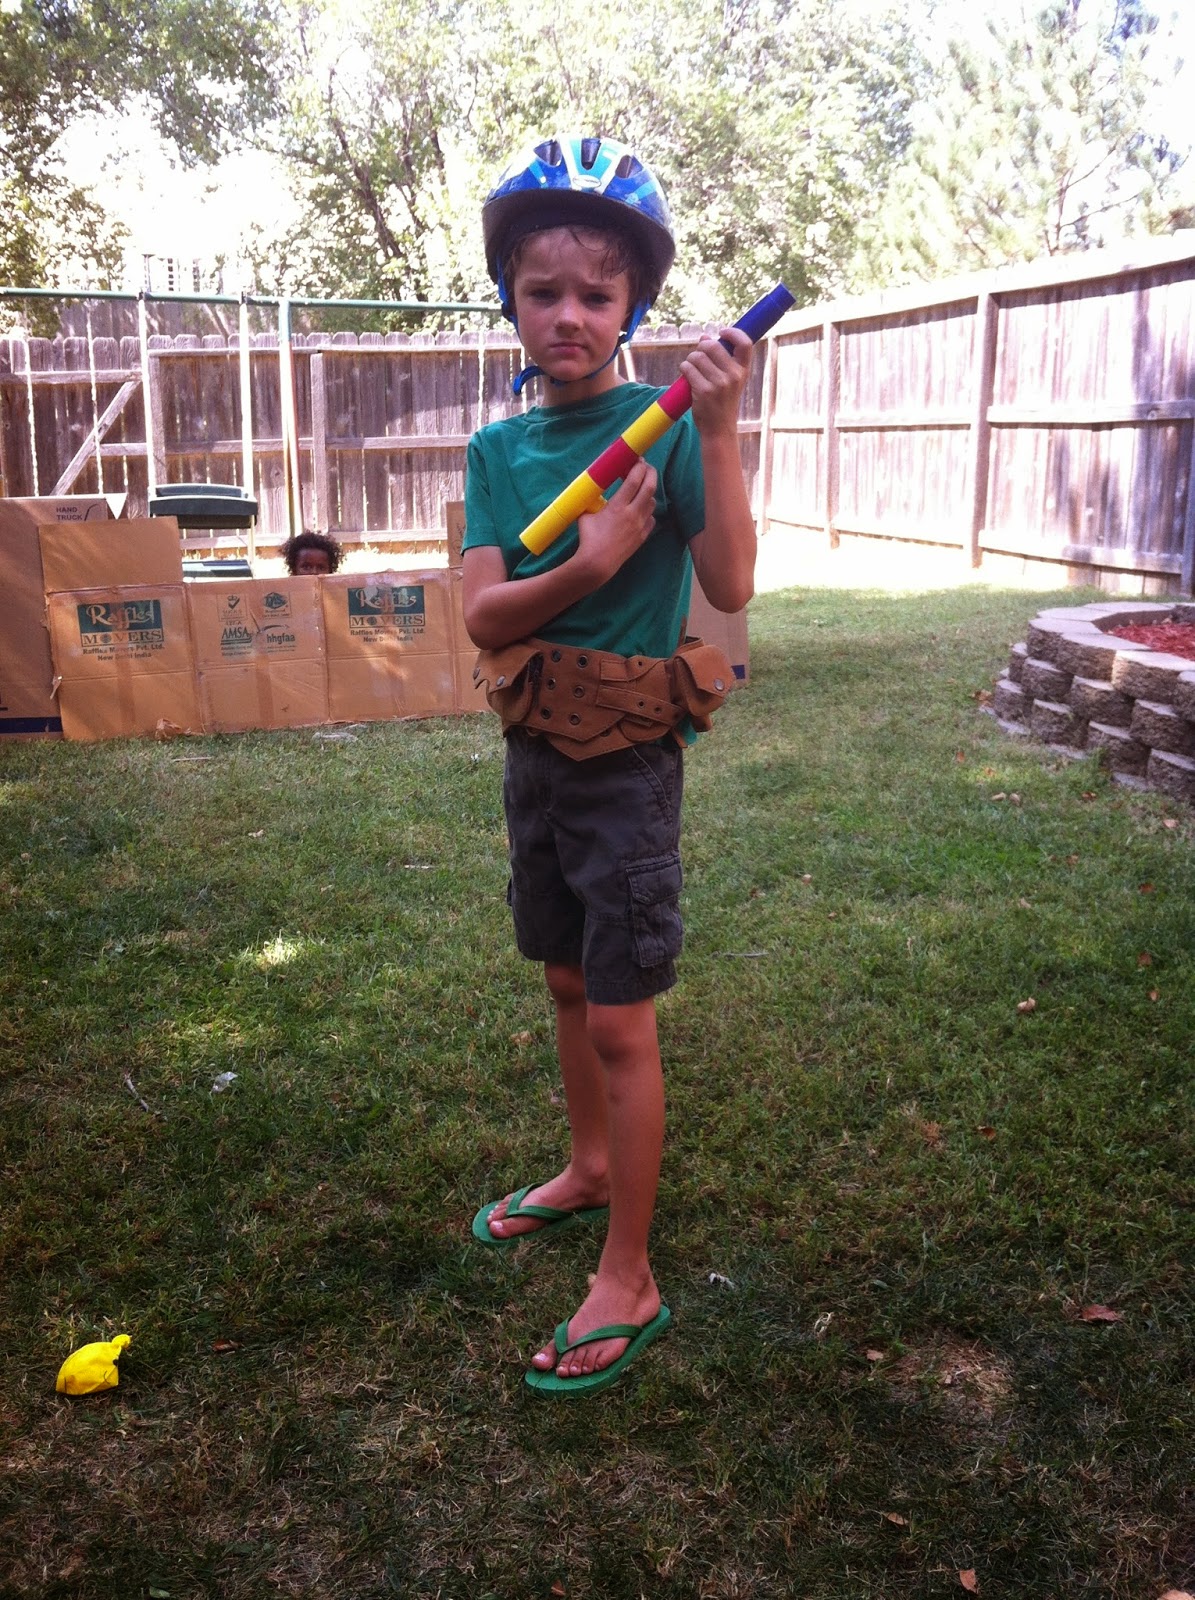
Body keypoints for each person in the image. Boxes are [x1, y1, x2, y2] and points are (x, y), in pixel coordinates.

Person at [461, 134, 757, 1396]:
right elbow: (482, 615)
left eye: (597, 292)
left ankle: (627, 1275)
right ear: (511, 301)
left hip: (627, 765)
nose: (569, 315)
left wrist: (720, 426)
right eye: (544, 291)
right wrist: (583, 567)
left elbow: (730, 582)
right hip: (535, 753)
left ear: (634, 304)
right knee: (568, 980)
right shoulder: (495, 452)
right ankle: (587, 1168)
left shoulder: (666, 433)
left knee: (623, 1018)